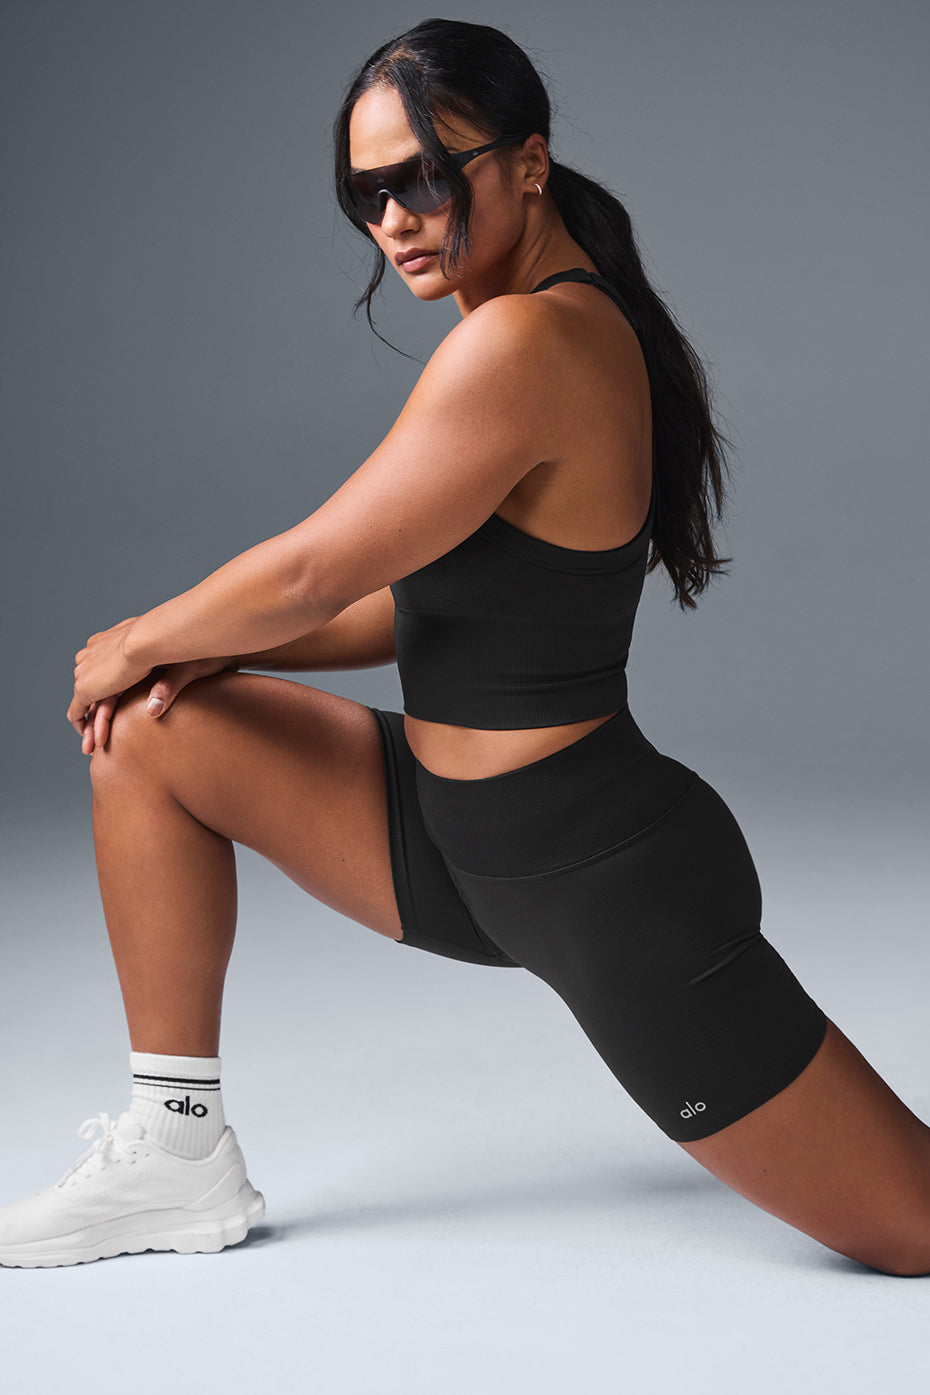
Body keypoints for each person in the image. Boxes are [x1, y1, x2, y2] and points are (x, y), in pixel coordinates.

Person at [2, 16, 928, 1275]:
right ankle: (176, 1150)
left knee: (916, 1231)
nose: (395, 220)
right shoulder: (524, 332)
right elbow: (414, 608)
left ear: (527, 163)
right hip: (452, 845)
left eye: (425, 179)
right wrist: (191, 661)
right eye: (365, 195)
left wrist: (139, 635)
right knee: (154, 733)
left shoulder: (530, 340)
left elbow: (316, 570)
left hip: (600, 883)